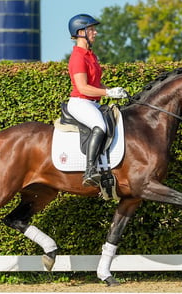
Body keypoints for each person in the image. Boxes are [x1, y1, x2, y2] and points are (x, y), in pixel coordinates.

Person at [67, 13, 128, 187]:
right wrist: (108, 93)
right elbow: (83, 87)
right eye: (92, 29)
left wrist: (114, 90)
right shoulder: (78, 57)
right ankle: (90, 170)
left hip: (92, 102)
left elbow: (96, 83)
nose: (95, 33)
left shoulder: (90, 55)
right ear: (81, 32)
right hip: (80, 102)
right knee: (99, 126)